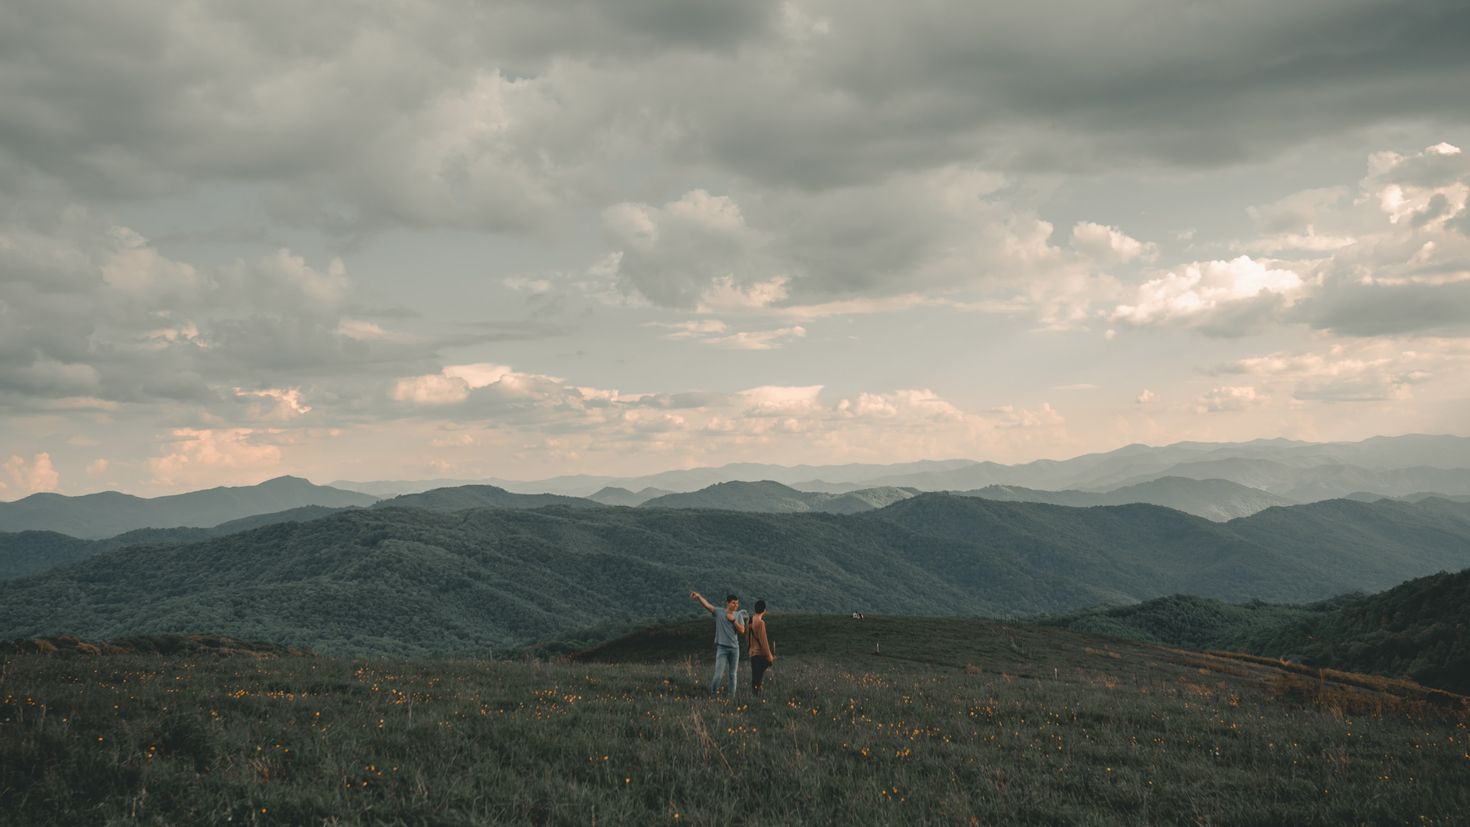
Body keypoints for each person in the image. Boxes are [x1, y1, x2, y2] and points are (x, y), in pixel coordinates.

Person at [690, 590, 745, 700]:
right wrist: (699, 596)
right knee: (718, 674)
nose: (736, 605)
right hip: (722, 648)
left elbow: (742, 630)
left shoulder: (738, 615)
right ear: (728, 603)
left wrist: (734, 621)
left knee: (732, 675)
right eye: (734, 603)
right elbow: (707, 605)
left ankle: (731, 698)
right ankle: (713, 696)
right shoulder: (719, 612)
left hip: (735, 649)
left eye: (737, 603)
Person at [748, 599, 775, 695]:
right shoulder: (760, 622)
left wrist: (750, 649)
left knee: (754, 677)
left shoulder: (750, 620)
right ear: (764, 610)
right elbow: (764, 641)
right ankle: (757, 697)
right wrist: (769, 655)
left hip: (752, 653)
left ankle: (754, 696)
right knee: (758, 678)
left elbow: (748, 638)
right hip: (760, 654)